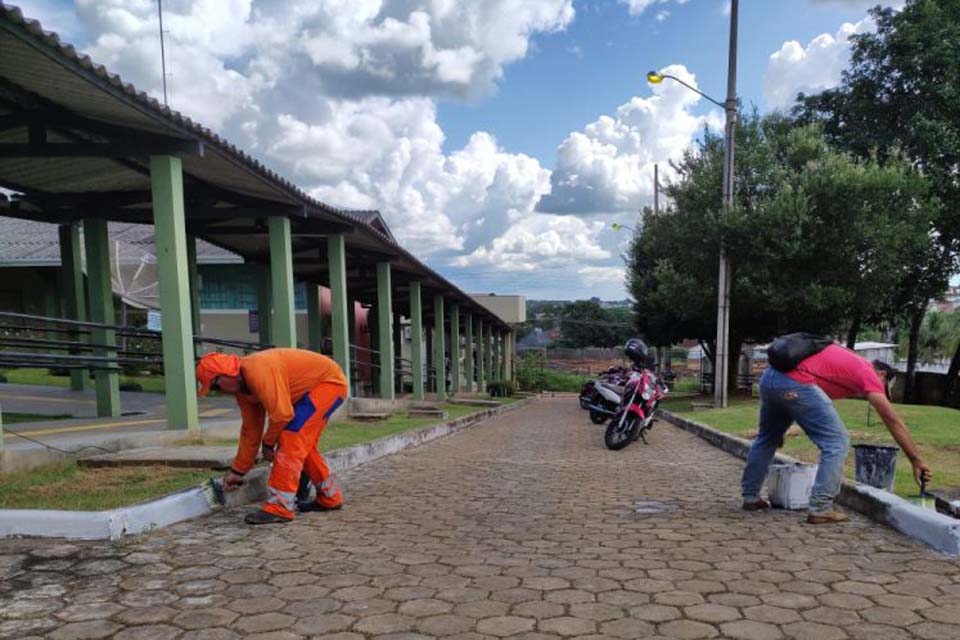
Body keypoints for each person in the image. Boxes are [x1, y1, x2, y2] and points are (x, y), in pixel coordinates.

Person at [741, 341, 932, 524]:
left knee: (767, 438)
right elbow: (892, 419)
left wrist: (778, 427)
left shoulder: (846, 361)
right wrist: (916, 459)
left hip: (769, 378)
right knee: (837, 442)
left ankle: (750, 497)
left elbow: (797, 399)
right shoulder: (867, 371)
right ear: (881, 373)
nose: (879, 391)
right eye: (884, 386)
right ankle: (820, 508)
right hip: (794, 381)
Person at [196, 348, 348, 525]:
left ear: (226, 374)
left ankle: (279, 507)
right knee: (302, 444)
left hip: (329, 383)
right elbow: (250, 432)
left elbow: (282, 415)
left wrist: (268, 444)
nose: (219, 391)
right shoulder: (244, 392)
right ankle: (330, 497)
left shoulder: (257, 369)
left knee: (292, 437)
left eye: (215, 385)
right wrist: (237, 472)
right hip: (316, 388)